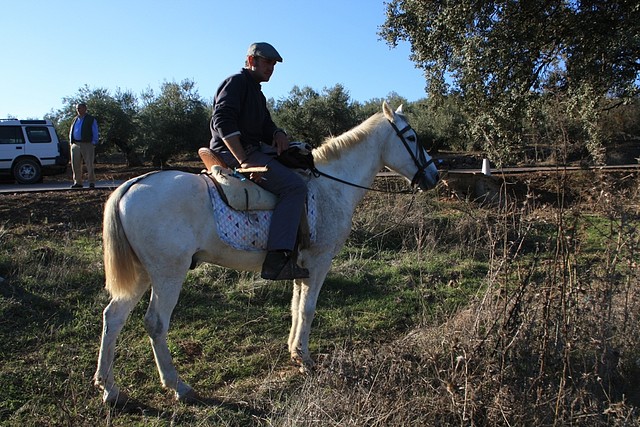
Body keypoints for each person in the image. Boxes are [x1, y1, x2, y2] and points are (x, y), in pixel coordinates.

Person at [210, 42, 309, 280]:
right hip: (233, 153)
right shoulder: (236, 83)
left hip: (249, 150)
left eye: (274, 64)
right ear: (251, 60)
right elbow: (222, 121)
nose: (271, 68)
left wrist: (278, 133)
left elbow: (265, 125)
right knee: (294, 188)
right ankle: (277, 259)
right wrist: (242, 159)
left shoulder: (256, 92)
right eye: (267, 62)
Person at [69, 102, 99, 188]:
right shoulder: (75, 119)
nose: (78, 110)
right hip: (75, 144)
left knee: (89, 163)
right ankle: (78, 182)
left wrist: (94, 142)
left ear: (85, 109)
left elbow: (95, 131)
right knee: (75, 164)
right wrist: (71, 142)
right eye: (77, 108)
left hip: (87, 143)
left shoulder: (90, 119)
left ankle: (91, 182)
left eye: (80, 108)